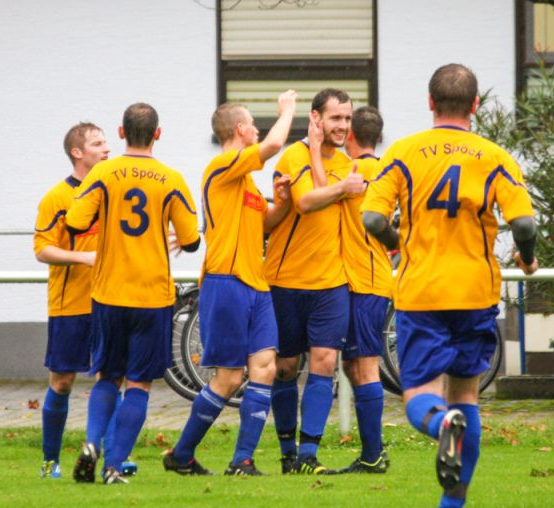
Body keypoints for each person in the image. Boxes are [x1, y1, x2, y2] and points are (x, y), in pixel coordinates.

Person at [361, 64, 539, 508]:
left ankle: (441, 424)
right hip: (475, 291)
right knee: (466, 395)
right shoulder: (495, 157)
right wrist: (527, 258)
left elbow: (372, 219)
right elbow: (524, 224)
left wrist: (398, 243)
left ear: (430, 102)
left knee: (420, 396)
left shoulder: (403, 153)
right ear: (475, 105)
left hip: (421, 291)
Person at [163, 91, 297, 476]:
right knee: (229, 378)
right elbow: (274, 144)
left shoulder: (247, 183)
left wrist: (283, 203)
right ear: (240, 129)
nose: (257, 130)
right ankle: (181, 455)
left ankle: (243, 461)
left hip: (256, 285)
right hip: (226, 282)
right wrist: (288, 110)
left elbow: (265, 223)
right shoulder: (222, 165)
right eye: (252, 124)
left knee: (265, 369)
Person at [67, 102, 200, 485]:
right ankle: (113, 466)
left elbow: (75, 222)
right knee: (139, 383)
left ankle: (91, 442)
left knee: (108, 376)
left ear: (121, 132)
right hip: (152, 297)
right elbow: (191, 240)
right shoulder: (171, 179)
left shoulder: (103, 173)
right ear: (158, 134)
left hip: (109, 293)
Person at [263, 88, 364, 475]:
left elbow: (332, 198)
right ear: (316, 118)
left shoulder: (347, 163)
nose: (343, 126)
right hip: (286, 280)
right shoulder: (294, 155)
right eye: (336, 118)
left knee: (324, 362)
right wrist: (342, 189)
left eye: (348, 118)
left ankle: (309, 454)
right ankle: (287, 452)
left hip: (331, 282)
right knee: (286, 367)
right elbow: (306, 202)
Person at [33, 122, 109, 479]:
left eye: (106, 142)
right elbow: (42, 250)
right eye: (97, 143)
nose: (106, 148)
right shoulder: (56, 197)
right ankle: (50, 461)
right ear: (77, 153)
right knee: (62, 381)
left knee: (110, 379)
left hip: (110, 301)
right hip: (70, 305)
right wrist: (83, 258)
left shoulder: (111, 191)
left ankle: (112, 458)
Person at [335, 106, 396, 474]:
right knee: (353, 364)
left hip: (364, 281)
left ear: (350, 136)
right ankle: (372, 451)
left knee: (365, 367)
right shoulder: (387, 170)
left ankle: (373, 455)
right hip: (371, 279)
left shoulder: (351, 172)